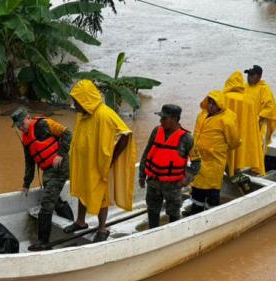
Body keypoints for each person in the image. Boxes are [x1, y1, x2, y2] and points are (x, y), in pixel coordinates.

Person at [65, 80, 137, 242]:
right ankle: (80, 221)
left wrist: (112, 158)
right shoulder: (82, 114)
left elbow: (126, 134)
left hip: (98, 164)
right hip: (84, 163)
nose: (74, 105)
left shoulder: (105, 114)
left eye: (76, 101)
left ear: (85, 100)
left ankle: (102, 229)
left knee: (101, 195)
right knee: (82, 191)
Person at [11, 106, 72, 251]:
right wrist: (26, 183)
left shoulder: (43, 124)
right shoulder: (26, 139)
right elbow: (29, 162)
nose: (21, 127)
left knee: (46, 206)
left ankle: (43, 242)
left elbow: (67, 133)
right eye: (18, 126)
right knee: (54, 200)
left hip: (59, 168)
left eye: (22, 124)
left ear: (28, 117)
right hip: (47, 171)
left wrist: (60, 154)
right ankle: (71, 221)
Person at [138, 104, 197, 229]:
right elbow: (147, 152)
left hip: (173, 185)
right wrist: (142, 175)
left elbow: (196, 163)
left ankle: (174, 235)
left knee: (173, 213)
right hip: (153, 181)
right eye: (161, 118)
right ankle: (153, 233)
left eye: (164, 118)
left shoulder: (187, 139)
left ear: (175, 119)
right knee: (152, 210)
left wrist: (186, 179)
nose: (161, 121)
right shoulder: (156, 131)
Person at [187, 91, 240, 215]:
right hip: (198, 159)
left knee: (212, 188)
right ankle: (196, 211)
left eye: (213, 103)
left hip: (214, 160)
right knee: (197, 187)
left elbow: (234, 141)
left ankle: (213, 213)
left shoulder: (227, 120)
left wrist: (216, 149)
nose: (210, 106)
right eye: (209, 102)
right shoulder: (202, 115)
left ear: (219, 105)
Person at [223, 70, 265, 175]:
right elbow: (253, 123)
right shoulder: (249, 100)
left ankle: (229, 171)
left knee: (228, 154)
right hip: (243, 135)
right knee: (239, 152)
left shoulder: (224, 97)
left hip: (227, 134)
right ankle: (237, 170)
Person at [243, 65, 276, 154]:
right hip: (246, 123)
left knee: (259, 148)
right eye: (248, 74)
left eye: (252, 75)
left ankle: (258, 166)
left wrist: (258, 118)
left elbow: (269, 107)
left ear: (259, 76)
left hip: (259, 124)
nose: (249, 77)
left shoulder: (264, 89)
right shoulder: (244, 87)